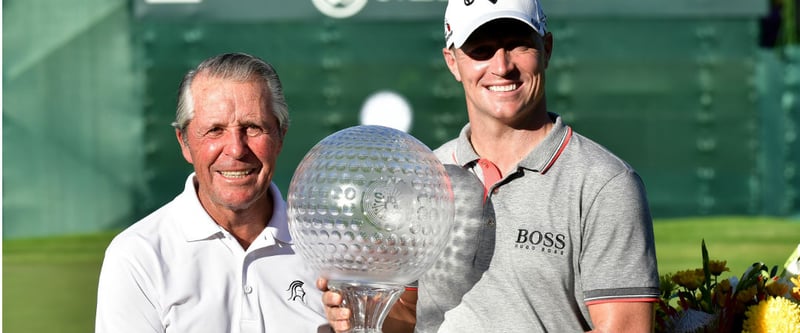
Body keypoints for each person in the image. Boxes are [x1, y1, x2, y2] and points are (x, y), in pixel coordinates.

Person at [319, 0, 660, 332]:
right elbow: (408, 313)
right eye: (480, 49)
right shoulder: (423, 176)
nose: (502, 66)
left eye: (518, 45)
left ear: (547, 48)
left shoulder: (605, 183)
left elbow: (625, 329)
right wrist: (363, 311)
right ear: (452, 62)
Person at [95, 53, 332, 333]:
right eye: (215, 130)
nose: (236, 149)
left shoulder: (333, 245)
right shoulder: (138, 255)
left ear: (280, 136)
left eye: (253, 128)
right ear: (184, 142)